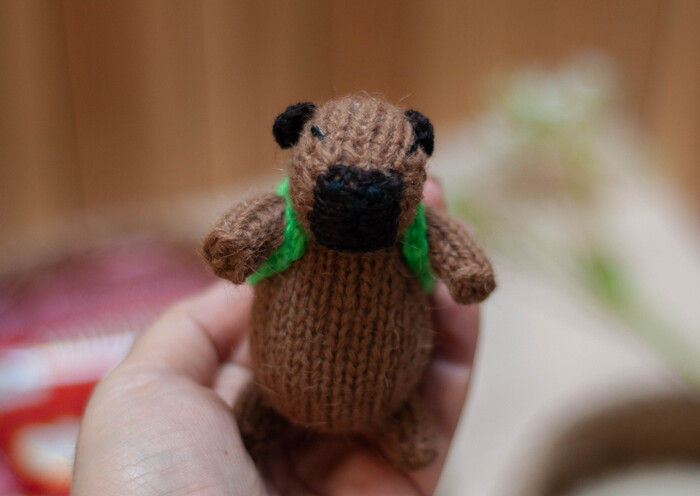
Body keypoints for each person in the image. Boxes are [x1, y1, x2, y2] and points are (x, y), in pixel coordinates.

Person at [71, 179, 481, 495]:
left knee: (412, 441)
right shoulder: (287, 218)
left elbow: (456, 253)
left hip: (389, 395)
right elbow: (243, 234)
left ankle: (396, 416)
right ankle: (267, 407)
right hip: (276, 390)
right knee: (250, 421)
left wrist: (467, 272)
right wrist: (232, 248)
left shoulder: (415, 228)